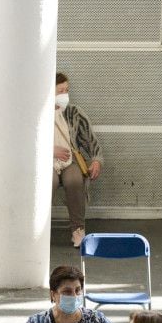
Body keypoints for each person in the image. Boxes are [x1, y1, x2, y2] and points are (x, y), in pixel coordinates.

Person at [52, 72, 103, 248]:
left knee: (74, 180)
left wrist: (96, 159)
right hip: (45, 162)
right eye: (60, 90)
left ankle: (78, 230)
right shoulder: (37, 114)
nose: (65, 94)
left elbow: (90, 139)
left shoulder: (74, 113)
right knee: (46, 182)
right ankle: (36, 229)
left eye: (67, 90)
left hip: (70, 160)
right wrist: (50, 151)